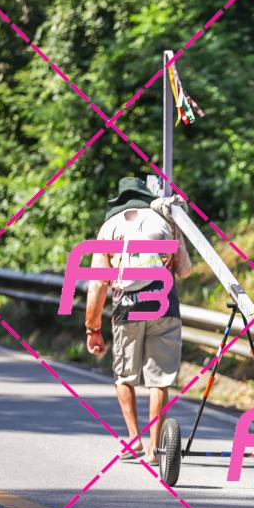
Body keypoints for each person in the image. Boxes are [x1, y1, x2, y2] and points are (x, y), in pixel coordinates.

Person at [85, 176, 191, 465]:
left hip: (127, 308)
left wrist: (93, 328)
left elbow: (98, 285)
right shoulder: (165, 223)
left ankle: (133, 438)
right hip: (164, 306)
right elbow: (184, 269)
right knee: (159, 380)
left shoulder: (109, 228)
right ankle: (155, 448)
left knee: (124, 376)